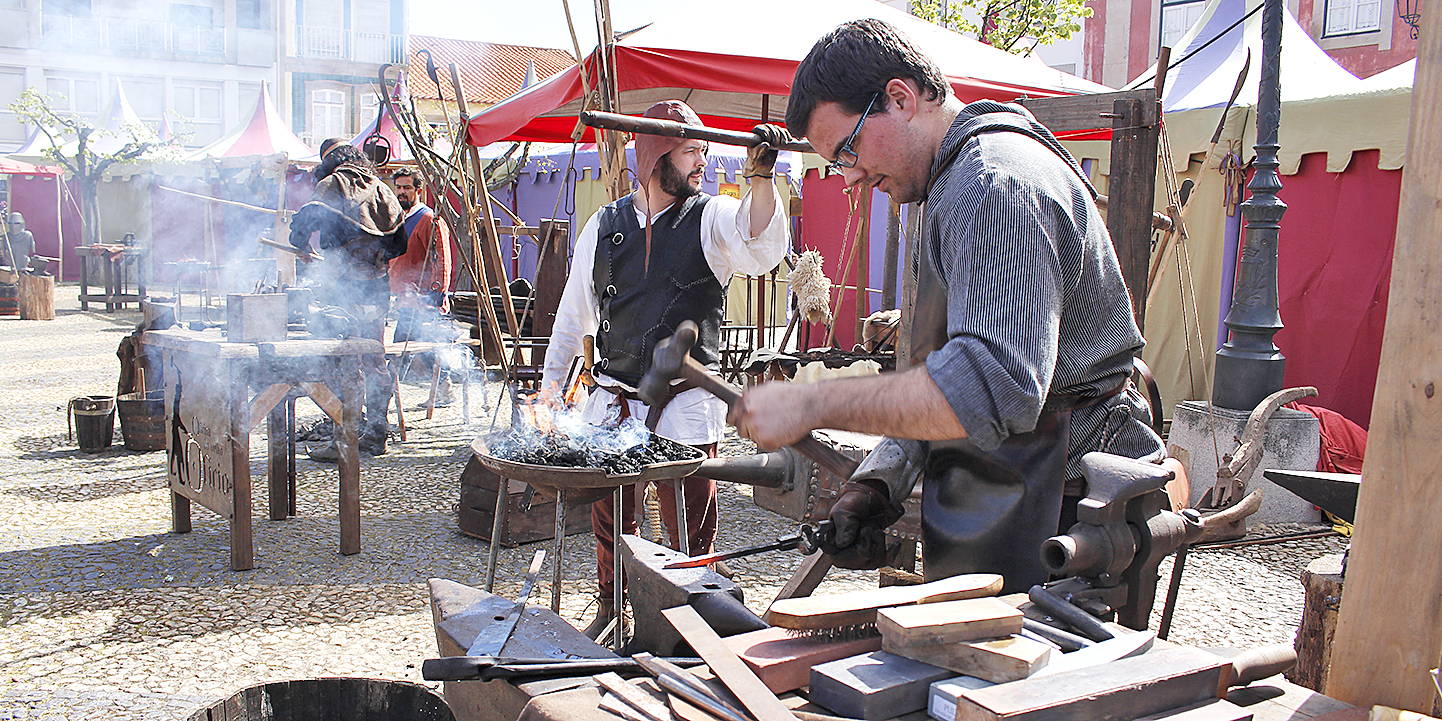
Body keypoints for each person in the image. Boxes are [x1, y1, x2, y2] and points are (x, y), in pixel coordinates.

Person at [726, 19, 1168, 593]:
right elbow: (947, 379)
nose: (851, 177)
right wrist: (881, 480)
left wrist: (812, 403)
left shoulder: (993, 183)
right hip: (1020, 481)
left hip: (1076, 500)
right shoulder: (948, 186)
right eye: (838, 163)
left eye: (849, 151)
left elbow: (994, 385)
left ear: (901, 98)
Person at [541, 100, 792, 637]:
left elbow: (758, 244)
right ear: (656, 156)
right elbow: (571, 318)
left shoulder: (711, 217)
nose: (701, 162)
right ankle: (613, 608)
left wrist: (762, 177)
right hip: (615, 398)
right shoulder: (603, 227)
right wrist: (549, 389)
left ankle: (688, 622)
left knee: (689, 519)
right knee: (612, 519)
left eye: (703, 150)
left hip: (685, 401)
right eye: (690, 151)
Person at [289, 138, 408, 457]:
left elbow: (304, 220)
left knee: (346, 363)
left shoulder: (333, 183)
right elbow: (400, 243)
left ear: (330, 162)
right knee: (374, 359)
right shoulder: (383, 189)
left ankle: (346, 439)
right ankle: (376, 434)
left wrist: (300, 244)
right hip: (377, 287)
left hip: (344, 288)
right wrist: (374, 258)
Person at [389, 167, 458, 408]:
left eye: (407, 187)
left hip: (424, 298)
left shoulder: (429, 219)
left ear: (419, 190)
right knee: (416, 348)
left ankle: (387, 394)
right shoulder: (400, 219)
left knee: (411, 348)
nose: (401, 192)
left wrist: (437, 294)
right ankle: (442, 390)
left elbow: (443, 258)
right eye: (398, 187)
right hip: (405, 297)